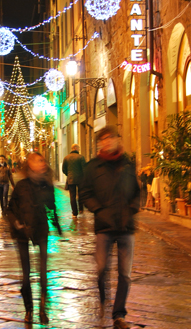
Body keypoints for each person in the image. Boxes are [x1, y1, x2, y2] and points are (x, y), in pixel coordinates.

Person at [80, 125, 140, 329]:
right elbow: (85, 193)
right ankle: (103, 296)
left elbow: (137, 191)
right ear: (99, 143)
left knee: (125, 274)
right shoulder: (92, 167)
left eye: (110, 138)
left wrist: (132, 208)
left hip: (126, 226)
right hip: (104, 226)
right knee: (102, 269)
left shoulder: (128, 164)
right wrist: (99, 210)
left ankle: (119, 314)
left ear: (117, 140)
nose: (107, 142)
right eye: (103, 139)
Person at [7, 152, 61, 325]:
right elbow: (9, 209)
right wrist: (16, 223)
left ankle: (43, 308)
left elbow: (51, 206)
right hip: (22, 232)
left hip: (40, 229)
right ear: (30, 165)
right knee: (26, 274)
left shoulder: (47, 185)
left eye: (43, 160)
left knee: (43, 271)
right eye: (39, 161)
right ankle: (29, 309)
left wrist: (57, 224)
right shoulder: (21, 185)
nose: (43, 163)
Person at [62, 143, 86, 217]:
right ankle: (81, 209)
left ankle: (74, 213)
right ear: (75, 148)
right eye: (78, 148)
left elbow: (63, 169)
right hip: (80, 179)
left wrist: (68, 175)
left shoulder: (66, 158)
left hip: (71, 179)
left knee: (72, 196)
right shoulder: (81, 157)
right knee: (80, 194)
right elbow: (84, 168)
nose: (78, 149)